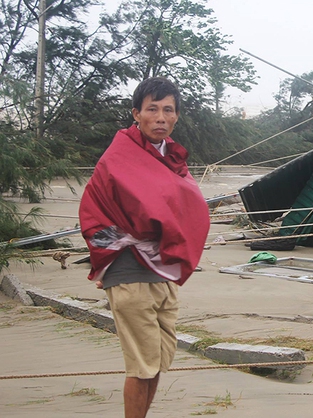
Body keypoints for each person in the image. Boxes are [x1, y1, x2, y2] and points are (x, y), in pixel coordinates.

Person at [79, 77, 210, 418]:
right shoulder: (120, 155)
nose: (161, 117)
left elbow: (183, 209)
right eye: (152, 109)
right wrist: (105, 261)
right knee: (142, 365)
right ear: (136, 113)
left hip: (163, 269)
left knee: (159, 360)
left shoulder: (170, 158)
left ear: (177, 116)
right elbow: (94, 213)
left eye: (168, 110)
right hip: (129, 270)